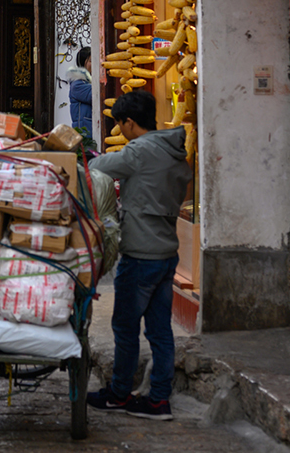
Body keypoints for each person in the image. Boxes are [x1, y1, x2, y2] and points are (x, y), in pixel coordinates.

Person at [86, 90, 191, 421]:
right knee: (159, 330)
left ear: (129, 123)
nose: (120, 130)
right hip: (166, 252)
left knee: (125, 326)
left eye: (120, 124)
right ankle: (159, 398)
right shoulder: (173, 151)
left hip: (141, 253)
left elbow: (100, 165)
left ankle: (119, 393)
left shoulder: (141, 150)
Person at [69, 47, 94, 141]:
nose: (95, 63)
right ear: (83, 63)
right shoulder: (78, 84)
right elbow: (95, 96)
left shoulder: (89, 81)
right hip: (84, 132)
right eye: (91, 60)